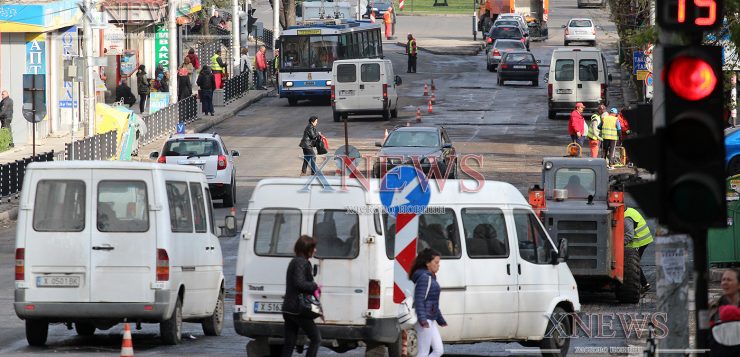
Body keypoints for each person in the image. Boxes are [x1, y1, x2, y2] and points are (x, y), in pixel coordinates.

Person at [281, 235, 322, 357]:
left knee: (289, 343)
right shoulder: (301, 262)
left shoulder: (295, 261)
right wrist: (314, 285)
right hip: (298, 310)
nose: (315, 250)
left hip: (289, 308)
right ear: (306, 249)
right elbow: (299, 283)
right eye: (313, 248)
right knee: (316, 339)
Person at [409, 248, 446, 357]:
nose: (438, 265)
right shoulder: (425, 278)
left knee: (438, 351)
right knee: (423, 352)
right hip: (425, 319)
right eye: (436, 262)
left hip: (430, 318)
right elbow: (419, 300)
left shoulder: (431, 277)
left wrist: (440, 319)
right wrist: (423, 320)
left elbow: (433, 301)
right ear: (427, 263)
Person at [709, 269, 740, 356]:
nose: (725, 282)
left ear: (739, 285)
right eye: (723, 279)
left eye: (729, 280)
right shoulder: (714, 308)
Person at [623, 207, 653, 292]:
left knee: (633, 263)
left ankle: (645, 284)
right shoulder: (630, 210)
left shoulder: (626, 218)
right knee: (635, 263)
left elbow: (629, 235)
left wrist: (620, 245)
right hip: (643, 239)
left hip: (640, 241)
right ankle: (645, 284)